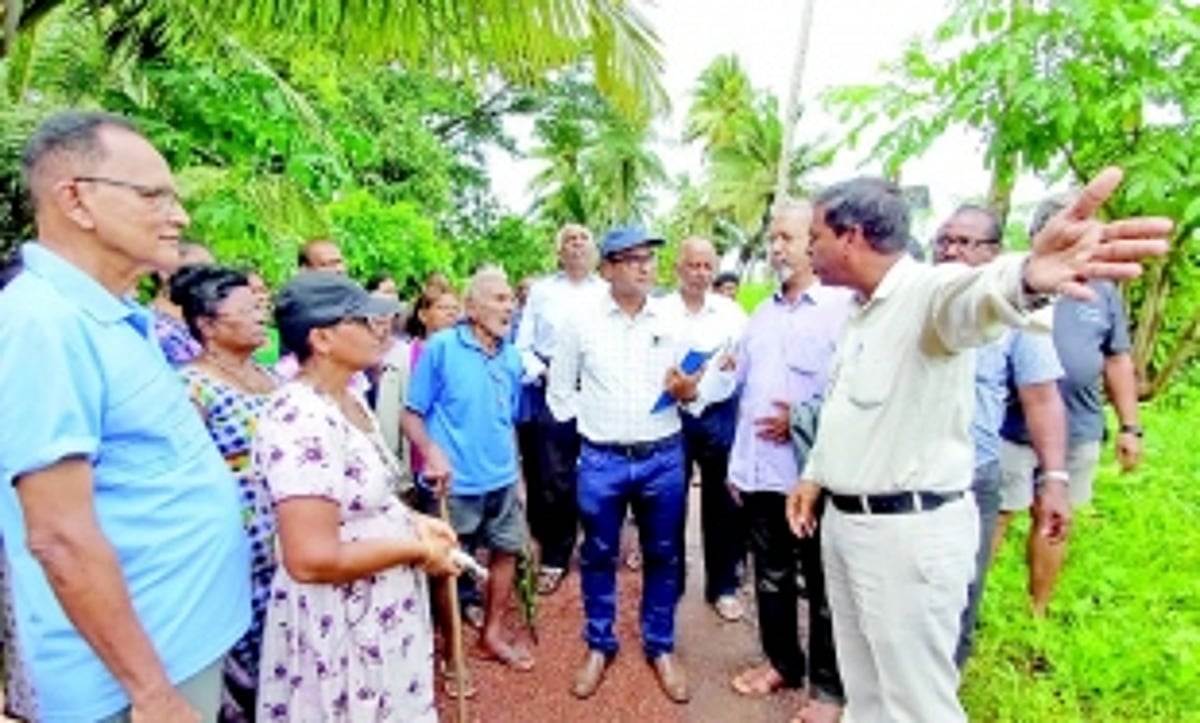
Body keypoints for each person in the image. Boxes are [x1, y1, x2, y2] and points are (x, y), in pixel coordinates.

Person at [786, 171, 1169, 722]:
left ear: (851, 236)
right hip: (851, 527)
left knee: (919, 704)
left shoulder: (927, 294)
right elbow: (848, 409)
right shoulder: (860, 311)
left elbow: (979, 297)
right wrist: (814, 473)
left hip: (906, 536)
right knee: (867, 693)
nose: (807, 250)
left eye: (814, 236)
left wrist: (1030, 275)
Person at [0, 110, 250, 722]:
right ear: (76, 201)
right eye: (153, 196)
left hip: (175, 644)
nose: (179, 216)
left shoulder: (104, 314)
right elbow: (59, 536)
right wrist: (152, 694)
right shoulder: (43, 323)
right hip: (128, 683)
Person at [253, 271, 462, 721]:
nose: (379, 329)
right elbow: (311, 558)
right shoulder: (298, 417)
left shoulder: (349, 398)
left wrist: (414, 523)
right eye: (365, 321)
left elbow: (365, 503)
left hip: (379, 609)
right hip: (341, 622)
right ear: (323, 338)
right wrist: (415, 548)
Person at [549, 225, 706, 704]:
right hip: (601, 460)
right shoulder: (579, 321)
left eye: (649, 258)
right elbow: (560, 391)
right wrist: (597, 424)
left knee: (663, 554)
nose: (645, 266)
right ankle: (600, 644)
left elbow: (692, 385)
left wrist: (688, 392)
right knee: (597, 554)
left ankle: (660, 646)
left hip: (663, 457)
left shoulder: (674, 320)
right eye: (633, 258)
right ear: (608, 269)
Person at [992, 194, 1145, 616]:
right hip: (1014, 426)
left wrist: (1130, 426)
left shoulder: (1103, 290)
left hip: (1079, 425)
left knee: (1056, 517)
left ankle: (1037, 611)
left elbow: (1117, 358)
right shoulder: (1017, 282)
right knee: (997, 512)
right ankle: (967, 607)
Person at [726, 202, 850, 723]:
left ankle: (826, 690)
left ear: (814, 241)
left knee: (825, 585)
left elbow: (853, 394)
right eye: (772, 238)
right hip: (761, 474)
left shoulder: (844, 308)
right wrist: (738, 465)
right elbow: (743, 391)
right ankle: (783, 663)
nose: (776, 247)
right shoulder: (762, 314)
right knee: (771, 576)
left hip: (814, 475)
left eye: (787, 238)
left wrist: (801, 417)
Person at [932, 205, 1069, 667]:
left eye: (965, 242)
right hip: (904, 481)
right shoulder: (913, 303)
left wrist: (1054, 479)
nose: (950, 249)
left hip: (972, 478)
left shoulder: (1017, 320)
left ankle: (939, 696)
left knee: (960, 593)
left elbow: (1042, 399)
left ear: (993, 253)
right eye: (944, 240)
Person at [403, 266, 535, 673]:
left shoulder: (512, 357)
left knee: (507, 552)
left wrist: (519, 475)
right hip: (454, 484)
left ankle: (490, 634)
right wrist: (431, 454)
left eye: (510, 298)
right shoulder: (441, 348)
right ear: (472, 307)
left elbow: (505, 421)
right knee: (446, 565)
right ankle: (451, 649)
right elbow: (411, 415)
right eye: (498, 299)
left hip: (503, 479)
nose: (509, 306)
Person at [172, 265, 281, 720]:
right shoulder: (190, 387)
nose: (261, 316)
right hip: (234, 555)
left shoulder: (270, 377)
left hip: (284, 549)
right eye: (247, 310)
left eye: (260, 307)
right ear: (208, 325)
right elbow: (184, 481)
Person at [515, 223, 606, 596]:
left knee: (601, 471)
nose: (577, 244)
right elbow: (521, 346)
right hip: (553, 390)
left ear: (594, 249)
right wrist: (546, 372)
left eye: (584, 238)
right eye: (569, 239)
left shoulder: (606, 291)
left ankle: (598, 550)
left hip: (598, 389)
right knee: (554, 477)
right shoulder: (541, 292)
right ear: (559, 251)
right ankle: (555, 556)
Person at [661, 238, 747, 619]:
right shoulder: (659, 311)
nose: (700, 273)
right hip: (671, 415)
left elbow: (747, 359)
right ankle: (672, 581)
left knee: (722, 504)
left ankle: (723, 586)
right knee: (670, 500)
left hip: (718, 412)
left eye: (707, 266)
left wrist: (735, 364)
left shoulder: (731, 312)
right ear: (678, 268)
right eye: (692, 265)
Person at [150, 241, 215, 366]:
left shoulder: (204, 326)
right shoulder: (151, 327)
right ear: (165, 271)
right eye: (201, 269)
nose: (211, 278)